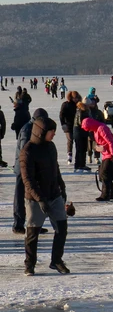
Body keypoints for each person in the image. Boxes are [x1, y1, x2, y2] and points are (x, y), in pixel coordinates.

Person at [20, 116, 69, 276]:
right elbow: (28, 179)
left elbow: (55, 169)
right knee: (33, 233)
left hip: (54, 195)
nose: (54, 134)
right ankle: (29, 264)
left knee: (61, 228)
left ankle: (56, 260)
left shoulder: (51, 147)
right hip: (35, 199)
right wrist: (40, 199)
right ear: (41, 132)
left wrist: (62, 187)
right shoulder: (28, 151)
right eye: (51, 132)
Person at [81, 117, 113, 201]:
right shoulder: (96, 129)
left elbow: (111, 142)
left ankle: (105, 195)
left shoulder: (102, 128)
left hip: (110, 154)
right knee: (105, 174)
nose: (89, 130)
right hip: (106, 154)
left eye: (88, 128)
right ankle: (112, 194)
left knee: (104, 174)